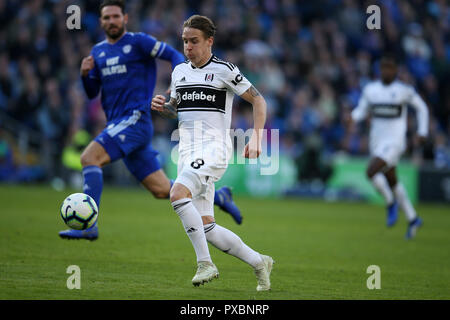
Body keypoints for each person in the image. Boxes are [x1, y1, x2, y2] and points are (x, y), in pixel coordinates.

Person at [59, 0, 242, 241]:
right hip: (117, 124)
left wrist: (179, 86)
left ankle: (88, 226)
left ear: (125, 18)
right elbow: (93, 92)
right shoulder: (98, 52)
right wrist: (85, 75)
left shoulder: (139, 42)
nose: (111, 21)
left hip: (135, 119)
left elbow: (174, 55)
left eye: (115, 16)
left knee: (88, 157)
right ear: (101, 21)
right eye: (106, 18)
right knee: (161, 189)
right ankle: (220, 197)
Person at [151, 15, 273, 291]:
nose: (188, 47)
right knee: (208, 228)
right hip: (187, 151)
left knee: (177, 194)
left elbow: (258, 100)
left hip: (215, 149)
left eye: (194, 41)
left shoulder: (225, 70)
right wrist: (163, 107)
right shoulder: (179, 72)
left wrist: (256, 137)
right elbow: (175, 109)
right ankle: (259, 262)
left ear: (209, 41)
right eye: (184, 41)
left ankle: (205, 264)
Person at [351, 53, 429, 239]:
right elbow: (362, 111)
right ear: (380, 70)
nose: (387, 71)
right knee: (392, 180)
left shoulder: (403, 90)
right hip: (377, 142)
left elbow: (422, 108)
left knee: (371, 172)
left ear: (395, 71)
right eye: (384, 68)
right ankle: (413, 218)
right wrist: (352, 117)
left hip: (395, 142)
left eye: (390, 68)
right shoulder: (371, 90)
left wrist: (422, 132)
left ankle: (389, 202)